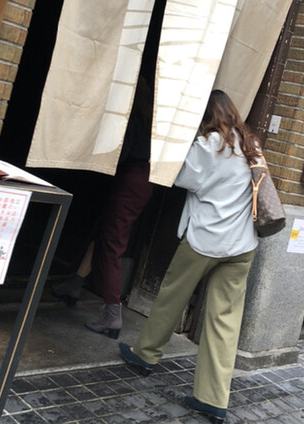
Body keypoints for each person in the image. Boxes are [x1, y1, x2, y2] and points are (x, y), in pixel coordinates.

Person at [118, 89, 261, 424]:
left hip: (205, 239)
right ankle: (213, 399)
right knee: (224, 321)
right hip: (242, 244)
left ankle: (145, 355)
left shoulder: (210, 144)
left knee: (171, 297)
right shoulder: (251, 145)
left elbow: (182, 178)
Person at [51, 76, 154, 339]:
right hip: (143, 181)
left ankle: (112, 314)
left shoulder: (133, 118)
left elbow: (121, 153)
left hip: (131, 180)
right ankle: (74, 284)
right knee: (103, 232)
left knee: (112, 244)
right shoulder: (153, 119)